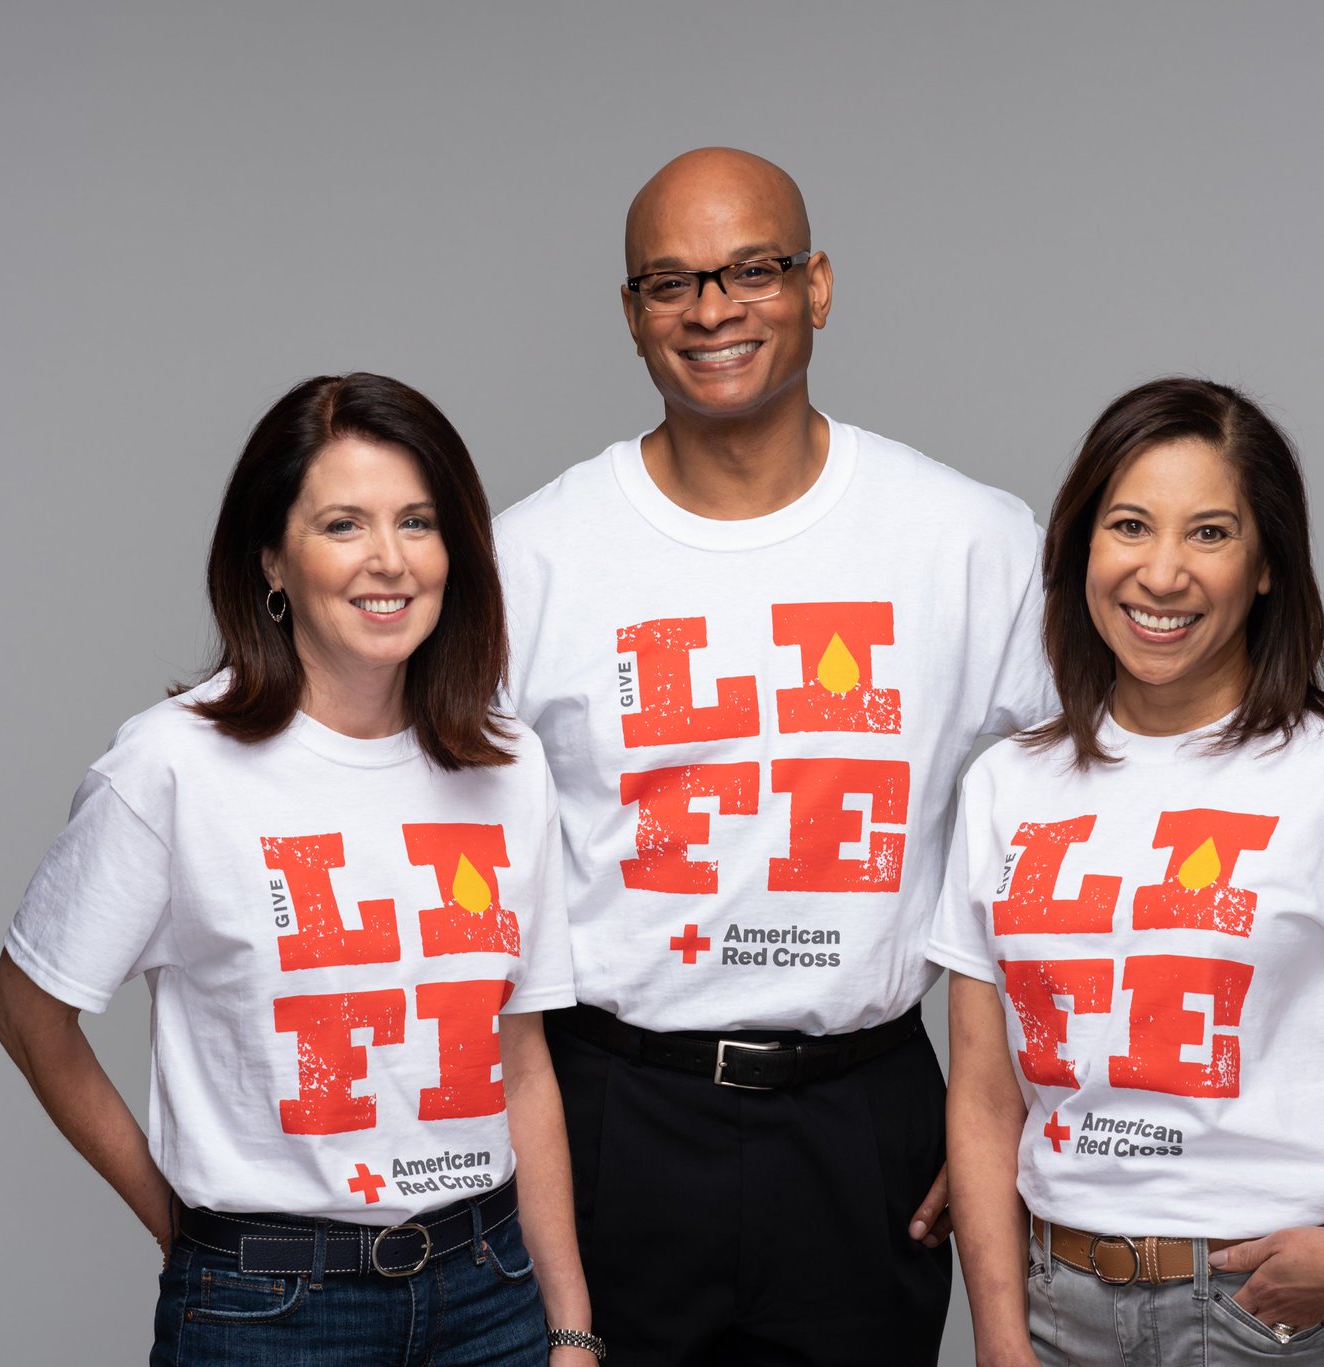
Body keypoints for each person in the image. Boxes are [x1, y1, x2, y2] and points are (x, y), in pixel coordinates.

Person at [492, 147, 1055, 1366]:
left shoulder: (967, 541)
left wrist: (1007, 1124)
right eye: (670, 281)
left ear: (819, 285)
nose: (712, 309)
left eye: (754, 269)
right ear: (630, 311)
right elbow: (426, 839)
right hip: (614, 1115)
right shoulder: (528, 560)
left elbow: (1073, 826)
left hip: (863, 1119)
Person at [0, 373, 603, 1366]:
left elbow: (519, 1060)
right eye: (343, 524)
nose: (389, 560)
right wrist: (186, 1232)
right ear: (271, 558)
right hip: (268, 1315)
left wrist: (568, 1324)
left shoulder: (506, 761)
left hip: (489, 1296)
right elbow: (26, 1011)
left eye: (417, 521)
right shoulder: (171, 766)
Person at [933, 377, 1324, 1366]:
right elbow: (985, 1099)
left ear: (1266, 564)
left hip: (1269, 1312)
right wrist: (996, 1336)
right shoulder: (1003, 787)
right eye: (1128, 526)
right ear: (1080, 549)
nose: (1161, 573)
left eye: (1207, 532)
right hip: (1052, 1307)